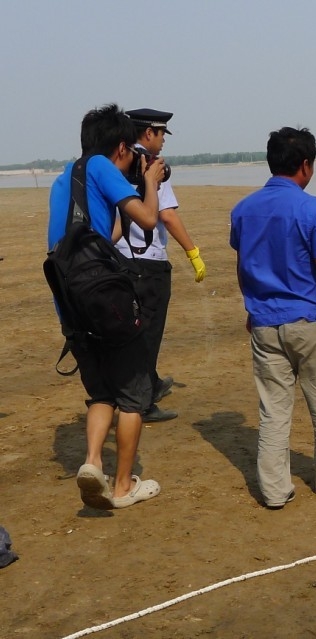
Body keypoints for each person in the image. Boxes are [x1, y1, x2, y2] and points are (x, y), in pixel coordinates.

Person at [230, 126, 316, 510]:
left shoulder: (244, 209)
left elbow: (244, 266)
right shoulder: (313, 209)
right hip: (309, 322)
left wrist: (251, 307)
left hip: (265, 322)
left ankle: (275, 491)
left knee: (273, 410)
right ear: (305, 165)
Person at [47, 104, 166, 509]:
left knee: (100, 393)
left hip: (71, 304)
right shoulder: (101, 167)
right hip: (106, 303)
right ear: (120, 146)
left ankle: (93, 462)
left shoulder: (65, 178)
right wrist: (149, 180)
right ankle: (121, 487)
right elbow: (150, 220)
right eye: (131, 151)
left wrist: (125, 199)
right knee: (133, 395)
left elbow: (106, 234)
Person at [114, 108, 207, 423]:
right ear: (149, 133)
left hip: (121, 258)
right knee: (148, 333)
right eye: (162, 133)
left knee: (131, 331)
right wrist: (192, 251)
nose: (164, 140)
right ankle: (143, 403)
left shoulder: (118, 163)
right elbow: (167, 214)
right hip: (148, 261)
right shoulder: (151, 167)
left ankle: (147, 383)